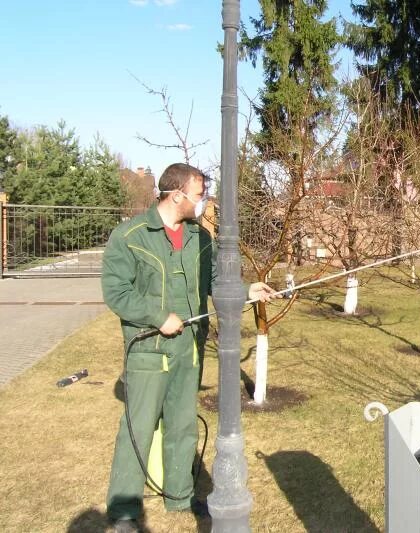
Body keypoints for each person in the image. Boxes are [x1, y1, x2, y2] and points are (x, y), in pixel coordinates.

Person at [102, 163, 272, 531]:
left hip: (189, 348)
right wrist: (157, 316)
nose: (202, 201)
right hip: (148, 350)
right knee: (139, 427)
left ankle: (179, 496)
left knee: (183, 426)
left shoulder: (201, 238)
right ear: (176, 194)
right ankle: (124, 511)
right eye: (198, 194)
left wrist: (247, 292)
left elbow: (215, 282)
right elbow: (117, 292)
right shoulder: (130, 236)